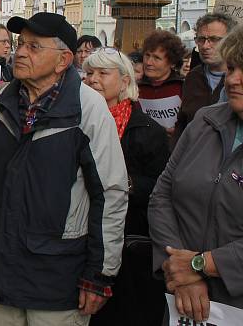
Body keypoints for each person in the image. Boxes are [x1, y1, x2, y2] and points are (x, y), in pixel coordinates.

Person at [0, 12, 128, 325]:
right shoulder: (1, 102)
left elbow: (110, 195)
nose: (21, 52)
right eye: (21, 44)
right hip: (1, 272)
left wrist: (99, 274)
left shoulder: (89, 109)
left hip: (57, 280)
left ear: (63, 60)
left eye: (34, 47)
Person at [148, 23, 243, 322]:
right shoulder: (205, 121)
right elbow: (161, 196)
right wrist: (182, 272)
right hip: (183, 301)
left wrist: (202, 265)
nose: (235, 79)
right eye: (232, 67)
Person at [82, 49, 170, 326]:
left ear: (124, 81)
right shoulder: (76, 121)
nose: (93, 80)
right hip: (81, 236)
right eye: (89, 73)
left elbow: (160, 188)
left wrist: (123, 183)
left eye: (102, 73)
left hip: (127, 244)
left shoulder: (147, 130)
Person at [173, 13, 237, 145]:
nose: (205, 46)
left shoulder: (238, 80)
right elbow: (183, 123)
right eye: (201, 39)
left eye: (214, 39)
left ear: (230, 40)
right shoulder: (193, 77)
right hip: (193, 157)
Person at [138, 30, 186, 136]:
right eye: (147, 55)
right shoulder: (136, 88)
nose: (149, 62)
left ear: (172, 63)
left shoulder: (183, 86)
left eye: (156, 58)